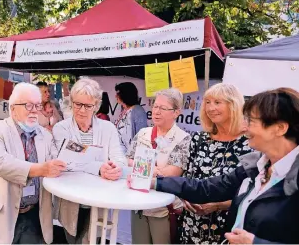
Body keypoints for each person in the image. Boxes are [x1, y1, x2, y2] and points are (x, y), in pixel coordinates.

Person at [145, 87, 299, 244]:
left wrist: (255, 243)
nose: (245, 127)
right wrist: (154, 182)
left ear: (280, 128)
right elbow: (207, 188)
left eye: (251, 121)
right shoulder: (255, 167)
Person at [0, 82, 66, 244]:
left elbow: (57, 161)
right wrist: (40, 169)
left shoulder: (45, 135)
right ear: (13, 108)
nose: (34, 110)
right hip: (0, 216)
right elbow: (0, 162)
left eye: (37, 105)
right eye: (28, 105)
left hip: (34, 216)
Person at [172, 83, 253, 244]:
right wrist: (186, 198)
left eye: (217, 102)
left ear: (234, 105)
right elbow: (188, 178)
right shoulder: (198, 139)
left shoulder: (250, 143)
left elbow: (252, 193)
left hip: (228, 229)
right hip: (192, 224)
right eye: (207, 102)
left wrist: (218, 205)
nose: (210, 108)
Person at [52, 78, 127, 244]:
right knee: (72, 239)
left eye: (88, 106)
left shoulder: (108, 129)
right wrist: (99, 168)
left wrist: (115, 168)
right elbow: (66, 163)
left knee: (91, 240)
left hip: (99, 199)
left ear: (97, 105)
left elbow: (119, 158)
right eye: (78, 104)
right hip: (71, 200)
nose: (81, 110)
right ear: (71, 102)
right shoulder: (61, 128)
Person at [126, 88, 190, 244]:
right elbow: (128, 159)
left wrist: (142, 169)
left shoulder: (183, 139)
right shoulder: (143, 133)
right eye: (155, 106)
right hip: (139, 204)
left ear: (176, 112)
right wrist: (152, 170)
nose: (157, 111)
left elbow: (173, 171)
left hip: (164, 209)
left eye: (163, 108)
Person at [114, 82, 148, 154]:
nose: (115, 96)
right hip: (120, 155)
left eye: (118, 93)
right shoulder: (124, 110)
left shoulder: (138, 111)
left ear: (125, 94)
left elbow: (142, 137)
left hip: (131, 157)